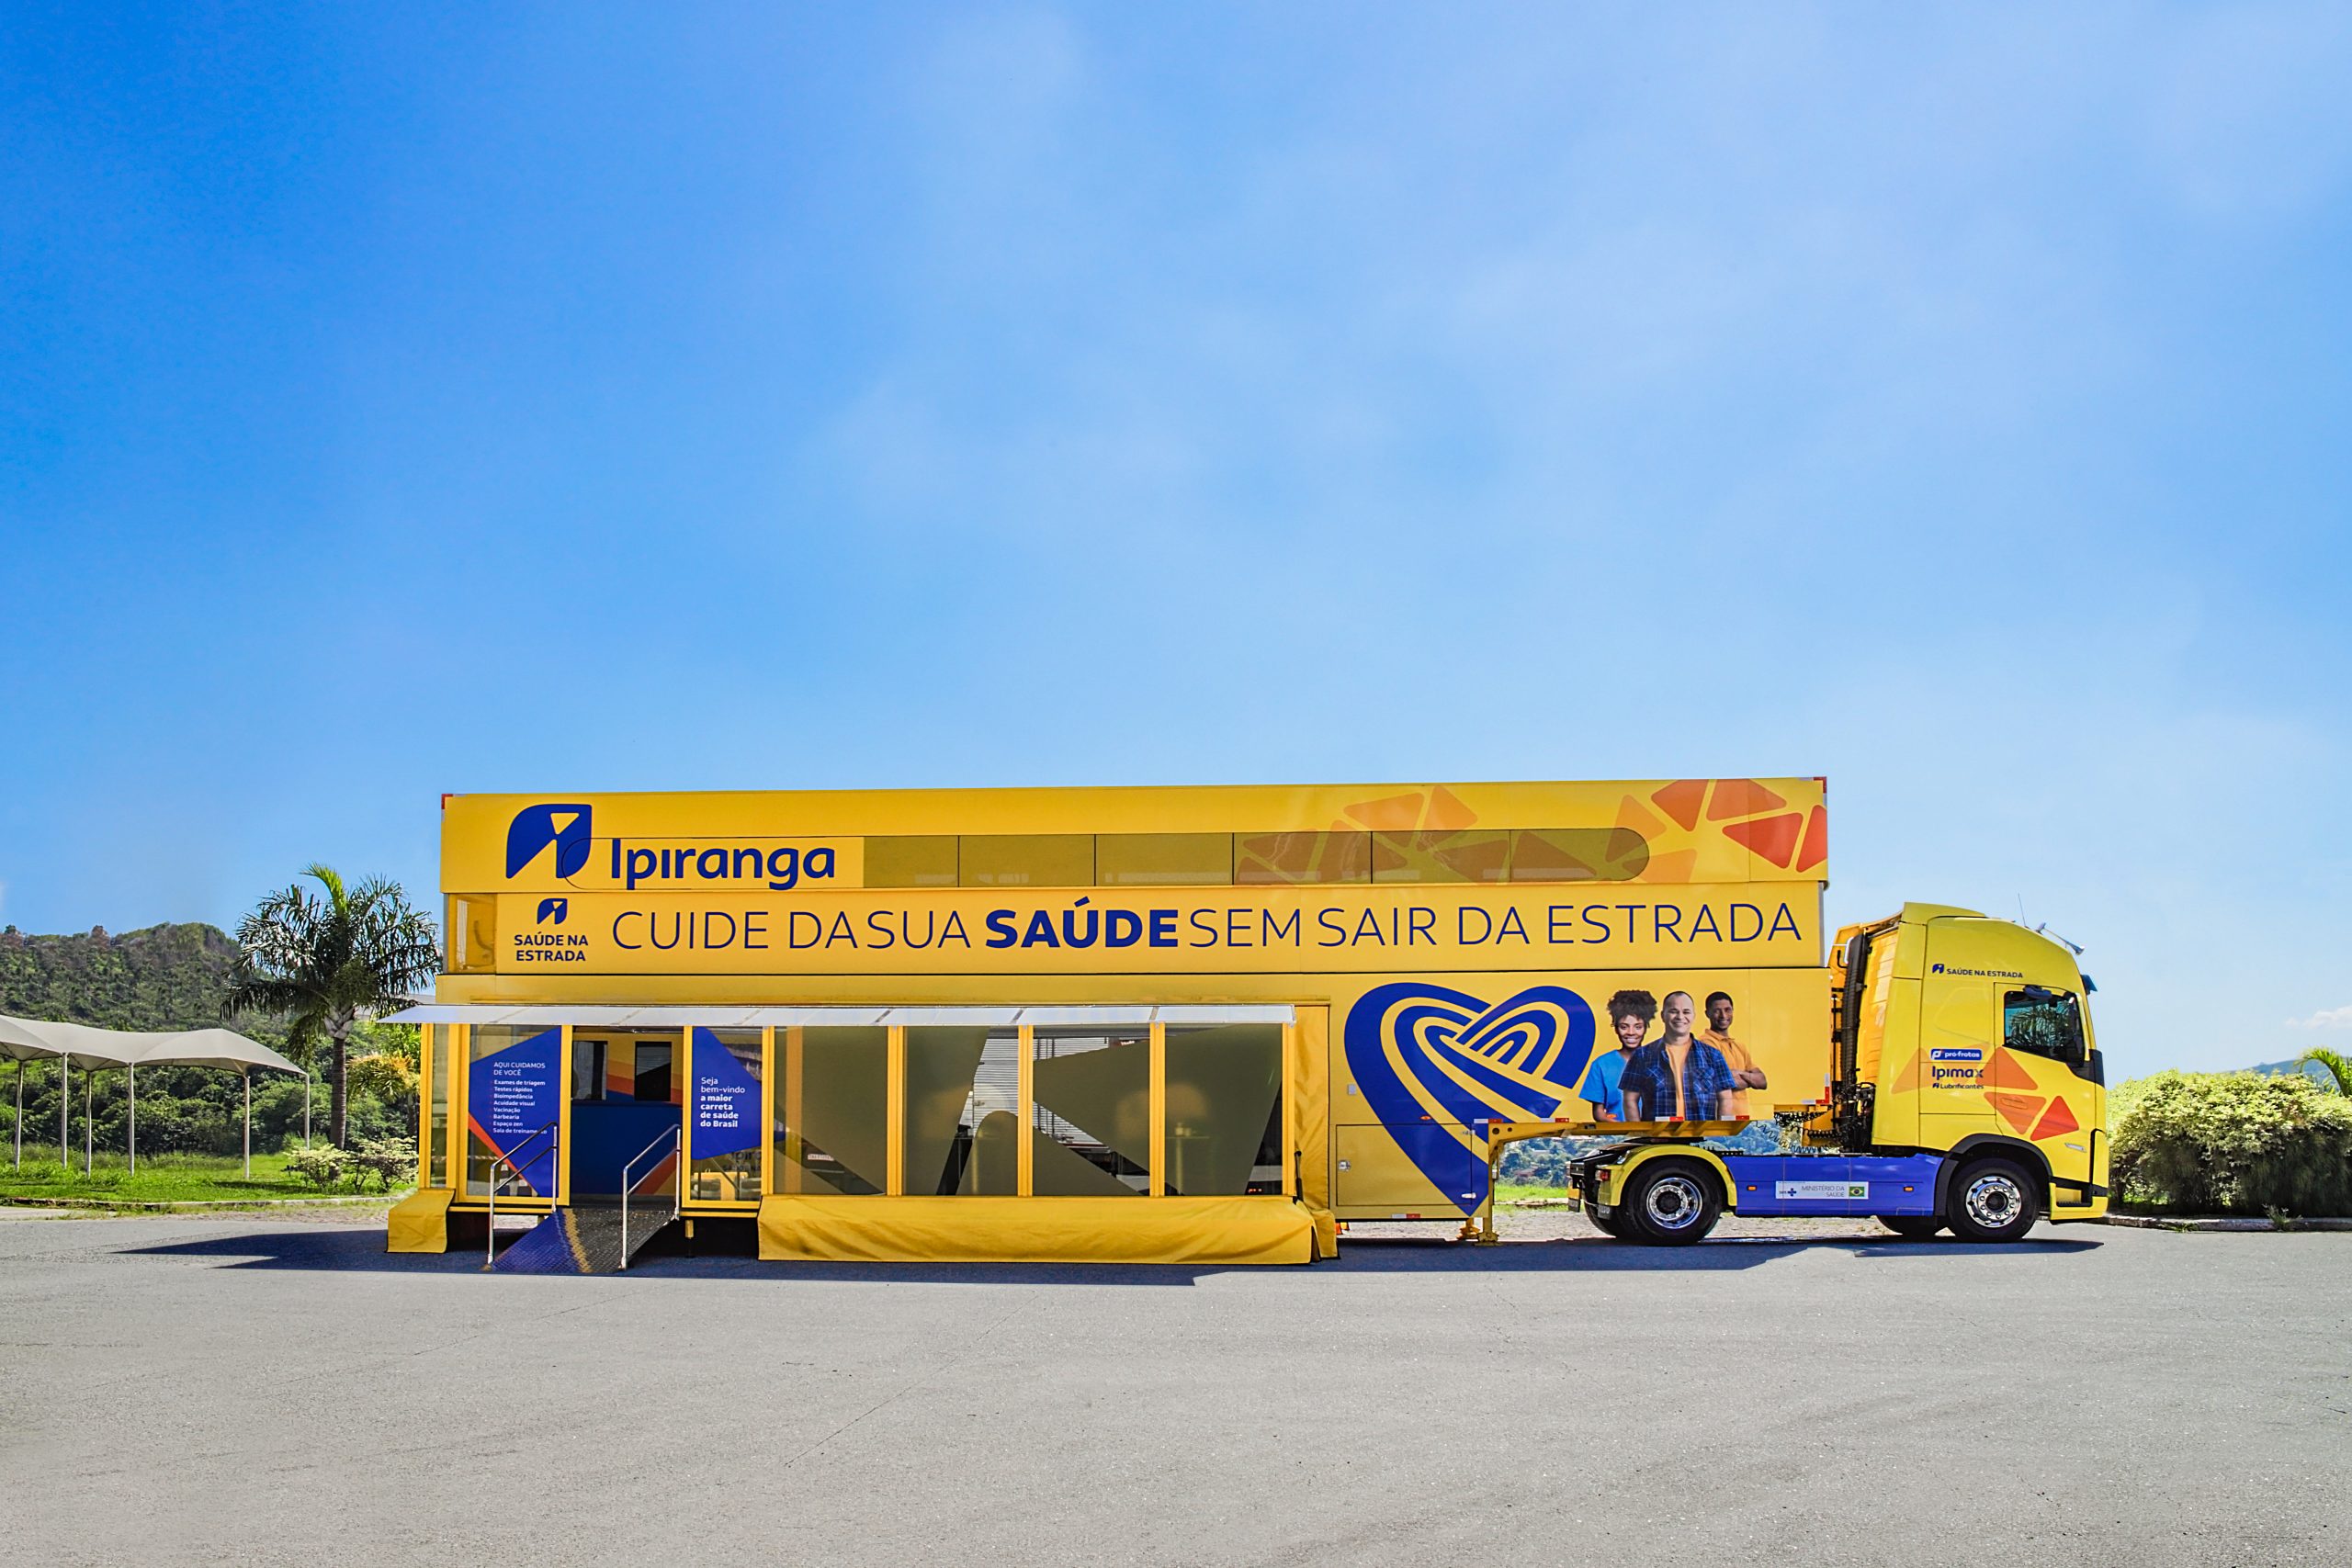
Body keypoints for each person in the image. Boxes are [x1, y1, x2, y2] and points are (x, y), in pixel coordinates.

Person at [1620, 990, 1737, 1122]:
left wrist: (1719, 1134)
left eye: (1686, 1012)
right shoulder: (1642, 1055)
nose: (1680, 1017)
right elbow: (1630, 1099)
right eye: (1673, 1011)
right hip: (1658, 1138)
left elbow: (1725, 1099)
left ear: (1693, 1016)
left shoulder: (1713, 1055)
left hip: (1699, 1137)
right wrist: (1640, 1133)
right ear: (1663, 1016)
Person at [1577, 989, 1653, 1121]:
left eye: (1638, 1027)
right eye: (1624, 1027)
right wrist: (1619, 1128)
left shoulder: (1660, 1061)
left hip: (1658, 1135)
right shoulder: (1602, 1065)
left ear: (1646, 1027)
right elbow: (1598, 1113)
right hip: (1621, 1135)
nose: (1631, 1032)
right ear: (1616, 1028)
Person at [1703, 990, 1767, 1119]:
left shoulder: (1739, 1046)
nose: (1723, 1015)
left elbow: (1762, 1082)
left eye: (1727, 1010)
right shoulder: (1705, 1043)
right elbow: (1717, 1082)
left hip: (1742, 1119)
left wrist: (1740, 1074)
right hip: (1719, 1121)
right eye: (1717, 1011)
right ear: (1707, 1013)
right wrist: (1749, 1079)